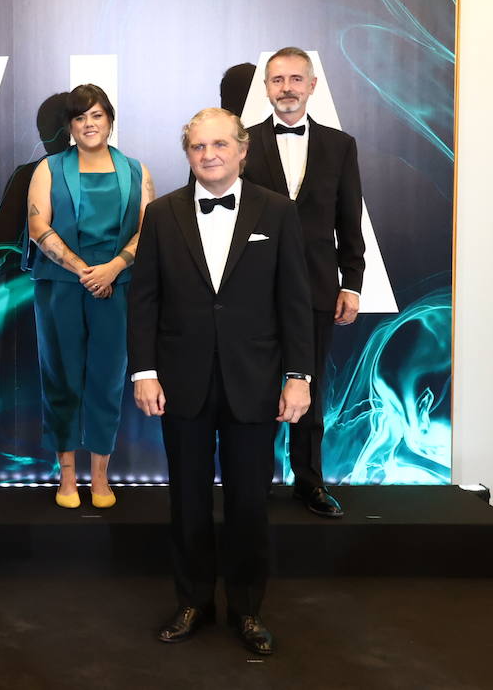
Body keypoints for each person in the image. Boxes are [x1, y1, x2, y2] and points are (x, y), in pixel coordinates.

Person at [128, 107, 312, 656]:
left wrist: (298, 377)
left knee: (250, 503)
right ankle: (193, 602)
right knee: (186, 500)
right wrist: (144, 370)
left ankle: (249, 610)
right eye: (197, 147)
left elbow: (295, 302)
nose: (208, 155)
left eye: (218, 145)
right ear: (187, 154)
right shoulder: (161, 215)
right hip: (181, 381)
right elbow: (144, 302)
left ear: (242, 150)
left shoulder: (277, 212)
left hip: (254, 382)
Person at [241, 47, 363, 518]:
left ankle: (309, 483)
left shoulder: (340, 145)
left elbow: (348, 218)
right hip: (252, 290)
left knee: (307, 389)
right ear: (267, 88)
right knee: (252, 388)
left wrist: (351, 282)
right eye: (277, 80)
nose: (286, 88)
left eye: (296, 79)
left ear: (312, 85)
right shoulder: (243, 142)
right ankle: (251, 481)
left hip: (315, 288)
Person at [25, 84, 153, 509]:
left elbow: (146, 231)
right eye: (80, 117)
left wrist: (114, 268)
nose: (89, 124)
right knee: (60, 376)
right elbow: (38, 228)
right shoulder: (48, 169)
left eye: (96, 115)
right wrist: (84, 271)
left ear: (110, 120)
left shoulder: (137, 171)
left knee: (107, 378)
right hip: (61, 286)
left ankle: (100, 475)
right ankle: (65, 477)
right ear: (69, 126)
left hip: (117, 286)